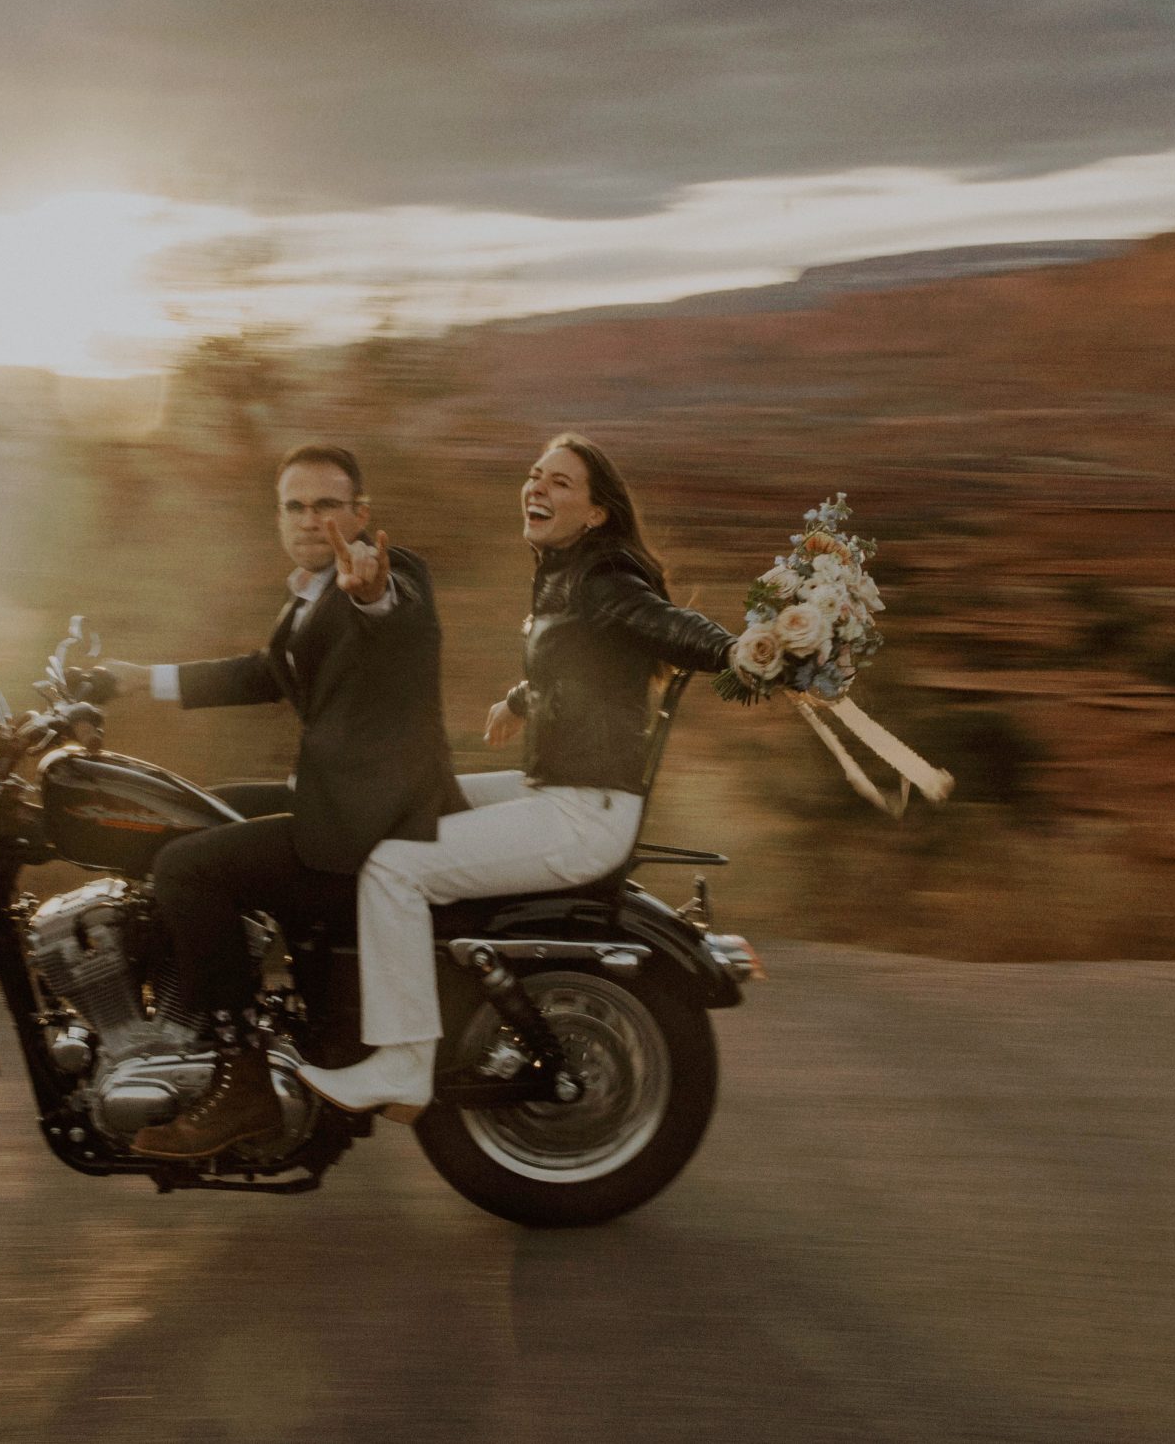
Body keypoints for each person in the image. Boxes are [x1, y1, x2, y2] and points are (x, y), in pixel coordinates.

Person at [296, 432, 737, 1119]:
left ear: (596, 513)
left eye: (561, 482)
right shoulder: (567, 569)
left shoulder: (604, 576)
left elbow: (668, 627)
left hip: (582, 814)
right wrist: (518, 701)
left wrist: (743, 650)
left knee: (392, 866)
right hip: (556, 789)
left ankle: (405, 1063)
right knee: (405, 803)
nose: (539, 487)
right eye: (535, 475)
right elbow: (578, 665)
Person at [103, 444, 459, 1159]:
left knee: (187, 869)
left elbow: (396, 615)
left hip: (370, 824)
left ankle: (244, 1083)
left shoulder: (384, 576)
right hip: (341, 799)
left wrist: (372, 595)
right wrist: (142, 679)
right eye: (294, 506)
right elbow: (268, 672)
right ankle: (207, 1011)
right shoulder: (310, 594)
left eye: (326, 504)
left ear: (360, 514)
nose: (308, 519)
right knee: (195, 809)